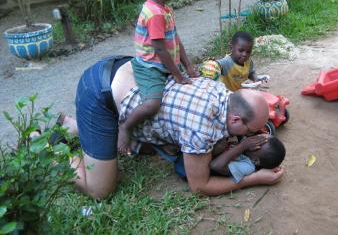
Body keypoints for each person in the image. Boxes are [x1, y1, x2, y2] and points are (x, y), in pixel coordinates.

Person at [67, 56, 284, 199]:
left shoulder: (221, 91)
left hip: (127, 70)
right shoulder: (201, 129)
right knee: (100, 190)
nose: (253, 136)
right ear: (236, 120)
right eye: (251, 131)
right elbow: (199, 186)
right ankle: (53, 154)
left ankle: (75, 127)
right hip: (99, 92)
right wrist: (253, 179)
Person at [118, 0, 198, 155]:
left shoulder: (165, 10)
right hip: (150, 68)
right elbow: (160, 49)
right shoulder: (154, 14)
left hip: (165, 62)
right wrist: (178, 75)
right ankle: (126, 127)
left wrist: (188, 65)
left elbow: (175, 39)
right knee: (152, 105)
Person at [210, 134, 286, 184]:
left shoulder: (248, 167)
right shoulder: (247, 150)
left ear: (255, 161)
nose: (252, 140)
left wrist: (243, 146)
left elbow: (215, 166)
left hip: (208, 164)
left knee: (220, 145)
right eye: (258, 137)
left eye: (257, 142)